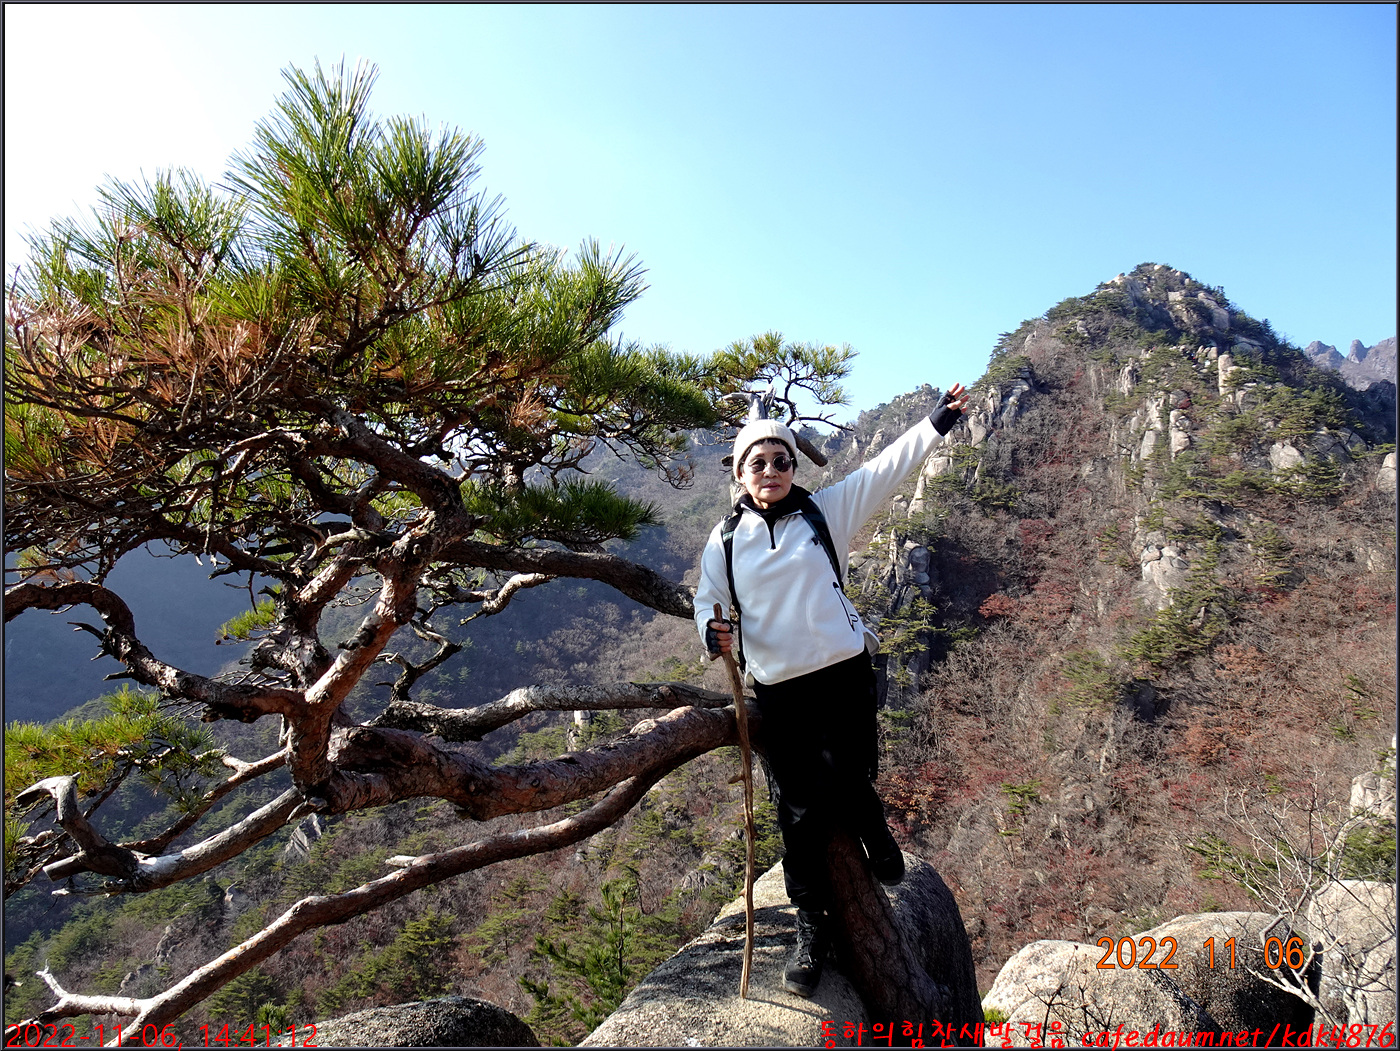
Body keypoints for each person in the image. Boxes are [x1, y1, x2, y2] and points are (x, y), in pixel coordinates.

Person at [694, 382, 969, 998]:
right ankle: (810, 924)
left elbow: (886, 470)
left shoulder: (825, 513)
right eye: (758, 463)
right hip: (780, 686)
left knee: (852, 768)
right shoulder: (726, 539)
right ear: (740, 474)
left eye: (781, 460)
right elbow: (707, 598)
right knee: (799, 812)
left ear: (794, 466)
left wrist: (936, 423)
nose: (771, 471)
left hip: (844, 671)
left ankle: (872, 824)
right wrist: (711, 631)